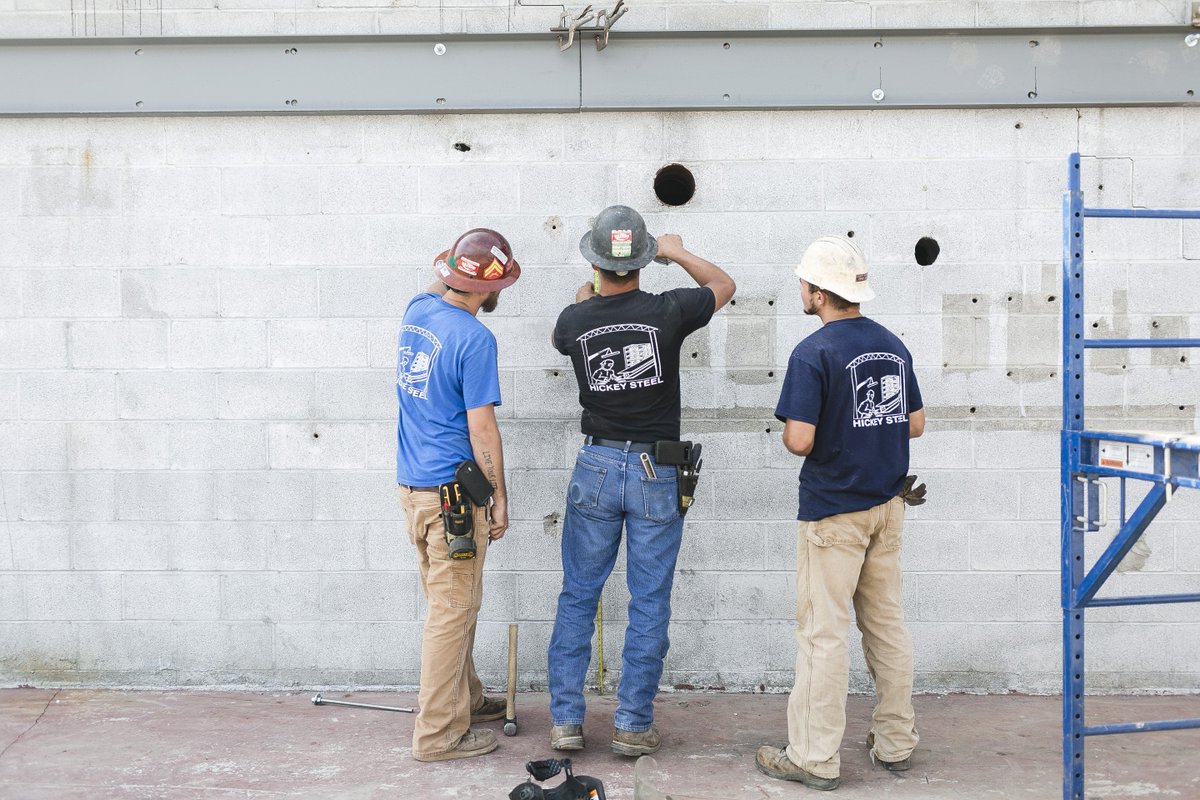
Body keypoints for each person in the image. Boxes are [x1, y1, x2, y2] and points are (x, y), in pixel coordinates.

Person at [547, 205, 736, 757]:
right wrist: (675, 252)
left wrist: (586, 300)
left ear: (595, 258)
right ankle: (631, 724)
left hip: (597, 466)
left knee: (579, 594)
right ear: (643, 260)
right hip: (657, 469)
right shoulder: (669, 310)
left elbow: (577, 320)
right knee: (649, 600)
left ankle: (565, 721)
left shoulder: (572, 320)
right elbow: (723, 284)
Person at [756, 236, 926, 790]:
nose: (800, 291)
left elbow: (799, 440)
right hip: (886, 508)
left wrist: (804, 425)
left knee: (822, 636)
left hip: (834, 516)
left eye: (803, 284)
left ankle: (812, 757)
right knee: (886, 626)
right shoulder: (891, 345)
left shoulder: (814, 352)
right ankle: (896, 743)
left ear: (817, 292)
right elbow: (915, 423)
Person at [395, 228, 519, 762]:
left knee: (452, 604)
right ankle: (439, 734)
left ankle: (465, 699)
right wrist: (498, 497)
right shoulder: (475, 339)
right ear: (488, 289)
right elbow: (482, 429)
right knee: (451, 612)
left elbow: (442, 280)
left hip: (415, 492)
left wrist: (459, 261)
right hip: (454, 503)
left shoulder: (418, 309)